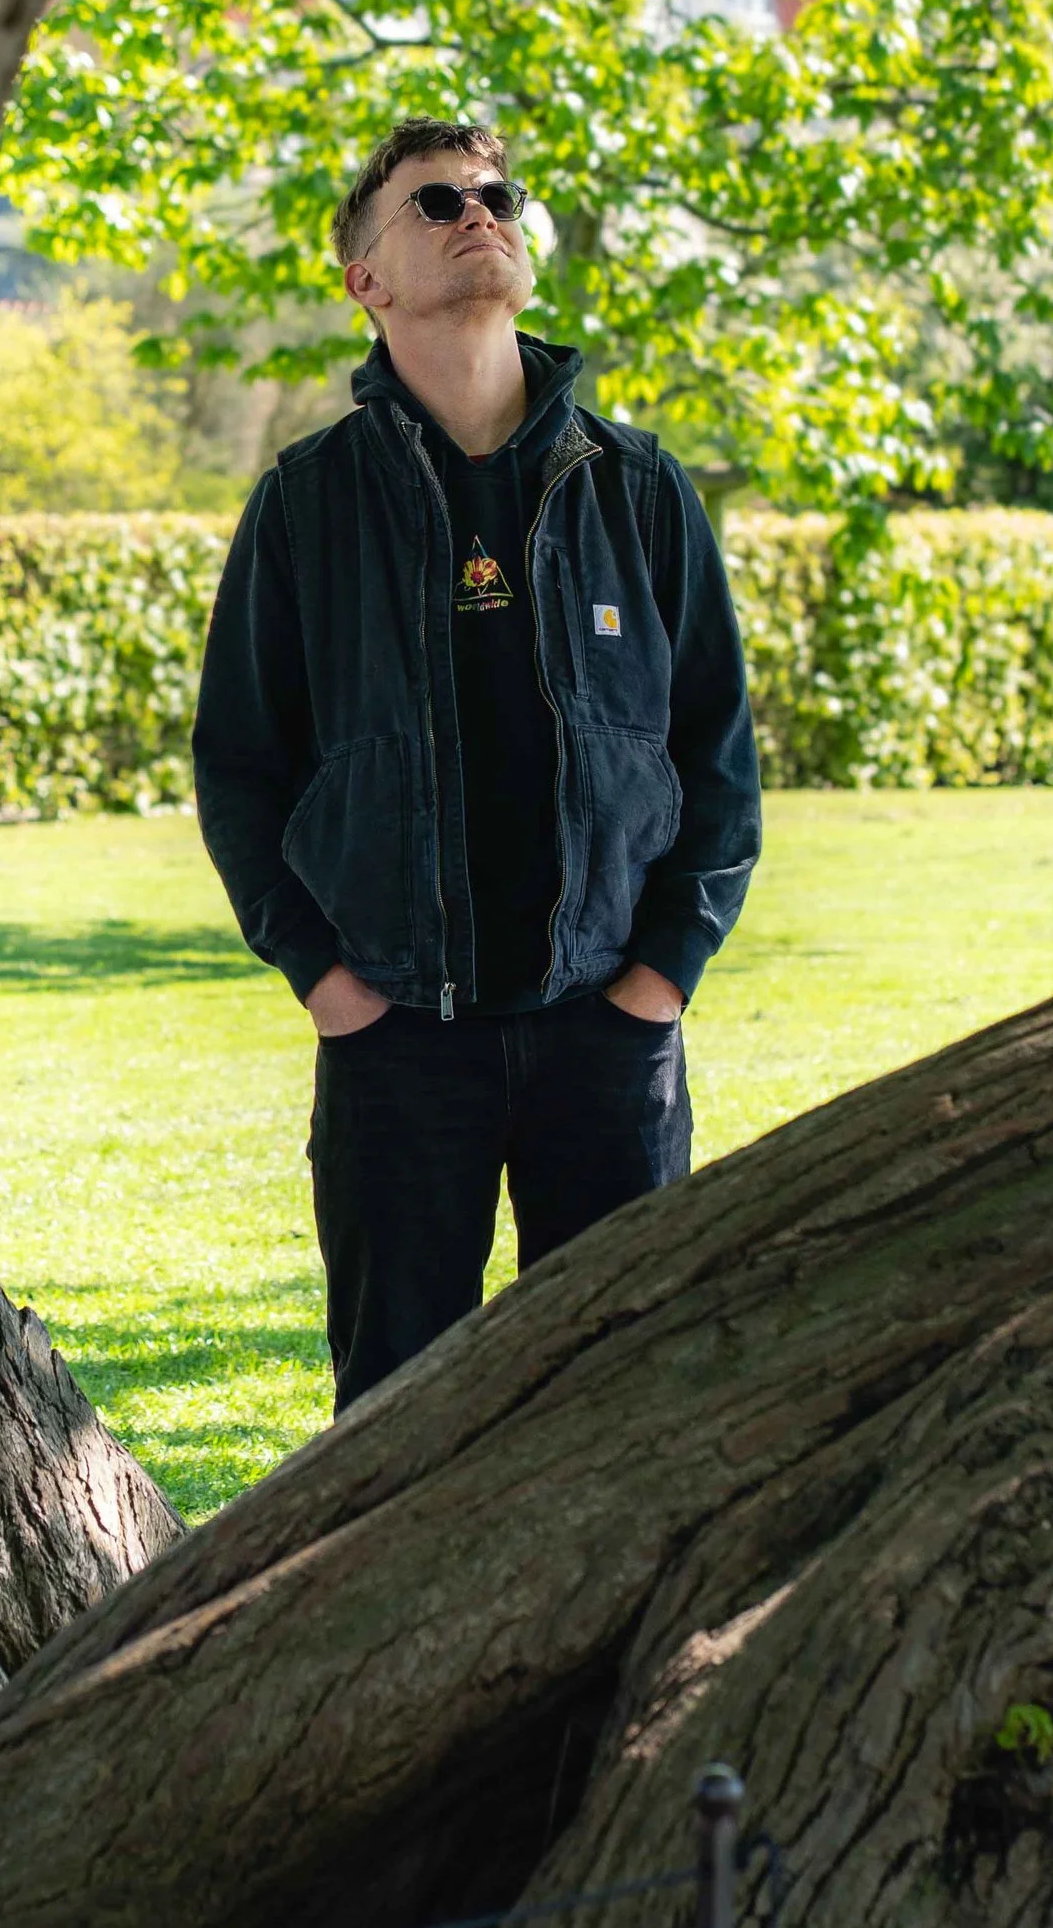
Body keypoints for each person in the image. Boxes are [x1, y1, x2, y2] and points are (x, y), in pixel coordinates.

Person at [192, 119, 762, 1408]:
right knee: (394, 1419)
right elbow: (239, 766)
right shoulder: (306, 504)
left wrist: (663, 978)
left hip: (609, 1034)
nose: (479, 213)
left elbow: (716, 759)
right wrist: (325, 980)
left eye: (498, 194)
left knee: (619, 1407)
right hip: (397, 1042)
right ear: (368, 280)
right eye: (437, 202)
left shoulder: (638, 489)